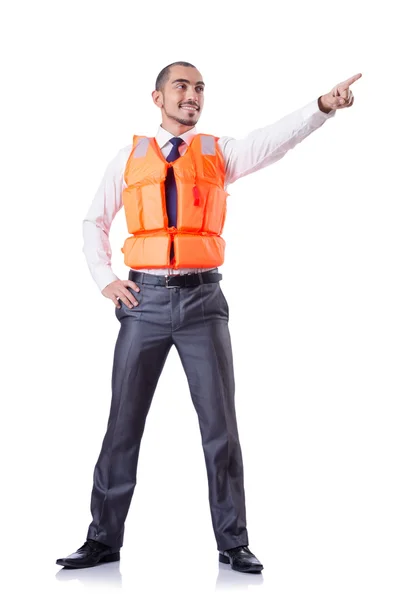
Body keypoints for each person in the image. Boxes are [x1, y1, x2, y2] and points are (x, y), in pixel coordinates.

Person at [56, 61, 361, 574]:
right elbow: (94, 219)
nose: (192, 95)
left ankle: (233, 542)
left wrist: (321, 108)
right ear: (157, 98)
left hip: (203, 306)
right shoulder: (128, 157)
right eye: (181, 87)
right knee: (122, 425)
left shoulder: (220, 153)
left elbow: (274, 140)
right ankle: (103, 539)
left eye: (199, 88)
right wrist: (104, 277)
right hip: (143, 304)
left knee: (220, 428)